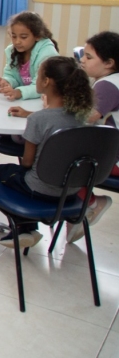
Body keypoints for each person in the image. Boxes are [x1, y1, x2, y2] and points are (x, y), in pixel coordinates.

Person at [0, 56, 94, 249]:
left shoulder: (39, 120)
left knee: (3, 171)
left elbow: (27, 162)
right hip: (72, 191)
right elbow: (57, 119)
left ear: (46, 81)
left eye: (38, 75)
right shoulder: (82, 117)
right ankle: (26, 229)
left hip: (39, 188)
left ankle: (25, 227)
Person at [65, 31, 119, 243]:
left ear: (109, 63)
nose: (82, 60)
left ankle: (91, 204)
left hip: (116, 159)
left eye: (88, 57)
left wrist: (57, 107)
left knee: (67, 161)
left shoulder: (107, 85)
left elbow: (87, 116)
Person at [0, 11, 59, 101]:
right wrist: (7, 82)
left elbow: (42, 86)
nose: (17, 41)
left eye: (23, 37)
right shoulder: (12, 51)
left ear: (37, 36)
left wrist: (19, 92)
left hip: (45, 101)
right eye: (14, 36)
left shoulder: (47, 54)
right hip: (26, 101)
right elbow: (11, 75)